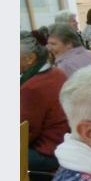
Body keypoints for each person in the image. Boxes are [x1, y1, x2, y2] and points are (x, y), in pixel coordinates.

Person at [20, 32, 69, 171]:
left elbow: (26, 133)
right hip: (65, 144)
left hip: (48, 152)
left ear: (30, 58)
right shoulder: (56, 72)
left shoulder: (31, 87)